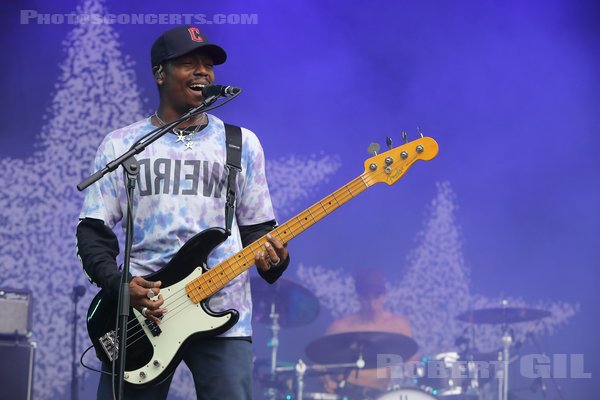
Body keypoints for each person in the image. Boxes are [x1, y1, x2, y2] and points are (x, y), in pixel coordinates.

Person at [76, 25, 289, 400]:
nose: (203, 71)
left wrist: (275, 258)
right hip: (145, 315)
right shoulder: (122, 145)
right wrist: (120, 287)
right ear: (159, 73)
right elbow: (93, 231)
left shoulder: (240, 143)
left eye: (208, 64)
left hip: (224, 312)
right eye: (189, 63)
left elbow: (259, 230)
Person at [322, 268, 414, 398]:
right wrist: (328, 381)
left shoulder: (398, 324)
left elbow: (412, 361)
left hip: (381, 394)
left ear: (384, 295)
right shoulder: (341, 326)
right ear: (358, 297)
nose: (372, 303)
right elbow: (318, 360)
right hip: (347, 392)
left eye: (376, 296)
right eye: (366, 297)